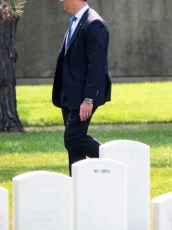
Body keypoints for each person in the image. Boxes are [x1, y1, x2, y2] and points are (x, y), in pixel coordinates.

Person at [52, 0, 112, 176]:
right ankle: (77, 186)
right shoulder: (75, 21)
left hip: (83, 97)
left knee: (73, 137)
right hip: (68, 96)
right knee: (72, 145)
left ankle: (116, 163)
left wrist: (88, 99)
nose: (61, 0)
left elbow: (97, 67)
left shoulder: (94, 23)